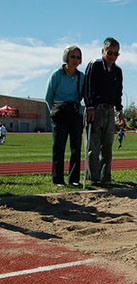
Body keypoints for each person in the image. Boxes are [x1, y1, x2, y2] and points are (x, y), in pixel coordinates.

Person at [83, 37, 125, 185]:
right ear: (103, 51)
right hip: (95, 109)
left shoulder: (118, 71)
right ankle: (94, 177)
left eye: (116, 54)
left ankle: (105, 176)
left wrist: (120, 111)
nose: (113, 57)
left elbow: (118, 92)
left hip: (110, 110)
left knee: (107, 146)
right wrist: (90, 107)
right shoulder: (94, 65)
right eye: (110, 53)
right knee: (92, 145)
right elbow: (87, 87)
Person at [45, 45, 84, 187]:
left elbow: (82, 97)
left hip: (75, 115)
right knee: (58, 147)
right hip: (59, 115)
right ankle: (58, 179)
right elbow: (48, 97)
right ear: (66, 57)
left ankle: (74, 179)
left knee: (76, 148)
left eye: (78, 57)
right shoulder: (57, 75)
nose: (75, 60)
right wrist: (53, 113)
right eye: (72, 56)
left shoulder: (81, 77)